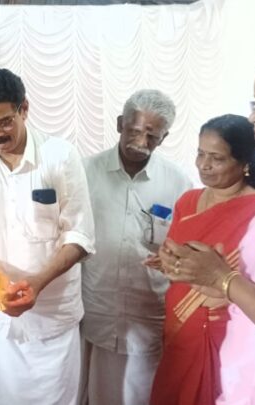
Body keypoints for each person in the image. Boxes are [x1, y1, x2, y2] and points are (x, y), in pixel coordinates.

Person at [160, 49, 255, 404]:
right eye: (254, 104)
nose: (254, 117)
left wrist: (224, 280)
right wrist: (213, 282)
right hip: (245, 362)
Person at [0, 68, 96, 405]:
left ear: (24, 109)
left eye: (4, 123)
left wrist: (38, 283)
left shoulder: (60, 156)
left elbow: (80, 235)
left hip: (52, 319)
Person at [80, 89, 192, 405]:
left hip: (148, 313)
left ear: (164, 137)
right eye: (134, 130)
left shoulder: (177, 182)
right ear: (120, 124)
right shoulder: (85, 172)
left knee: (143, 394)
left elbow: (183, 248)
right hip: (97, 310)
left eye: (151, 136)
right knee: (96, 393)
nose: (140, 142)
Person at [149, 114, 255, 405]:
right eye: (200, 154)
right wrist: (166, 261)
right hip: (177, 318)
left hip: (220, 325)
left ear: (244, 162)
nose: (204, 165)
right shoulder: (188, 200)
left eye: (217, 158)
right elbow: (176, 255)